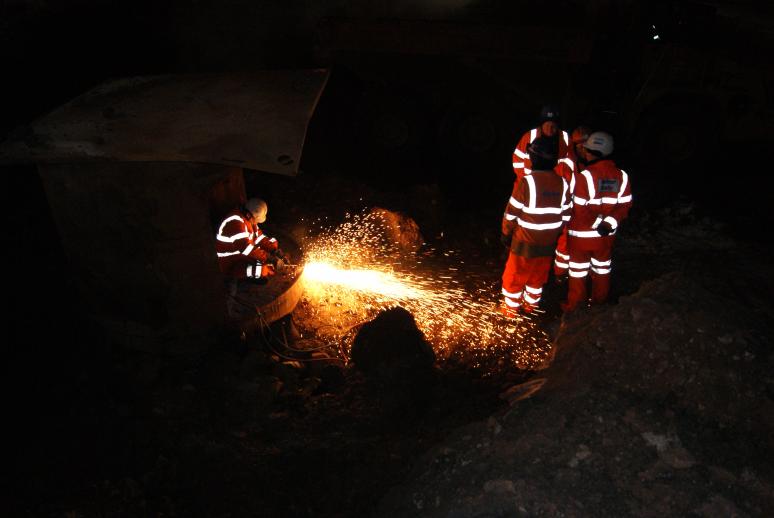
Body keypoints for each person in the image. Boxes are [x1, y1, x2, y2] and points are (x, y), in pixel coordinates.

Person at [561, 131, 632, 312]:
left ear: (593, 152)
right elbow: (624, 206)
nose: (585, 152)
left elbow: (579, 209)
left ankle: (575, 308)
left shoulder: (585, 176)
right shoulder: (622, 176)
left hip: (581, 238)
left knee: (578, 273)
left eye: (588, 150)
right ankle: (599, 305)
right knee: (602, 271)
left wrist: (597, 224)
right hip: (605, 239)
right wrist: (608, 223)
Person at [500, 136, 572, 315]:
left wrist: (506, 233)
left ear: (534, 158)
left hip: (524, 241)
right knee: (537, 278)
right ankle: (530, 307)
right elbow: (566, 213)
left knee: (515, 276)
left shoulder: (527, 182)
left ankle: (510, 309)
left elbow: (512, 212)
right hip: (548, 243)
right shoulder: (562, 183)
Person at [553, 125, 592, 280]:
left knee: (580, 245)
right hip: (569, 212)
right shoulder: (566, 165)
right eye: (580, 146)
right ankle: (560, 275)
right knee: (564, 244)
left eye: (586, 145)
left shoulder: (585, 163)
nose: (583, 149)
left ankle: (578, 274)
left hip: (581, 212)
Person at [215, 197, 285, 283]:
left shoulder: (249, 219)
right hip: (231, 261)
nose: (257, 223)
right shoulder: (235, 222)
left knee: (273, 243)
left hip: (242, 255)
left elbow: (260, 238)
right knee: (262, 270)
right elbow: (246, 248)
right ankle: (241, 279)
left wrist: (274, 250)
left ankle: (258, 269)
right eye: (257, 220)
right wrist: (269, 258)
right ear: (249, 215)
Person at [511, 105, 570, 182]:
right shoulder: (529, 137)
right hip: (529, 183)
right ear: (542, 125)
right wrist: (526, 180)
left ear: (557, 126)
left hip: (555, 185)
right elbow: (517, 161)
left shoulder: (565, 138)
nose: (550, 129)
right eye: (547, 125)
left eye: (553, 126)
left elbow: (570, 165)